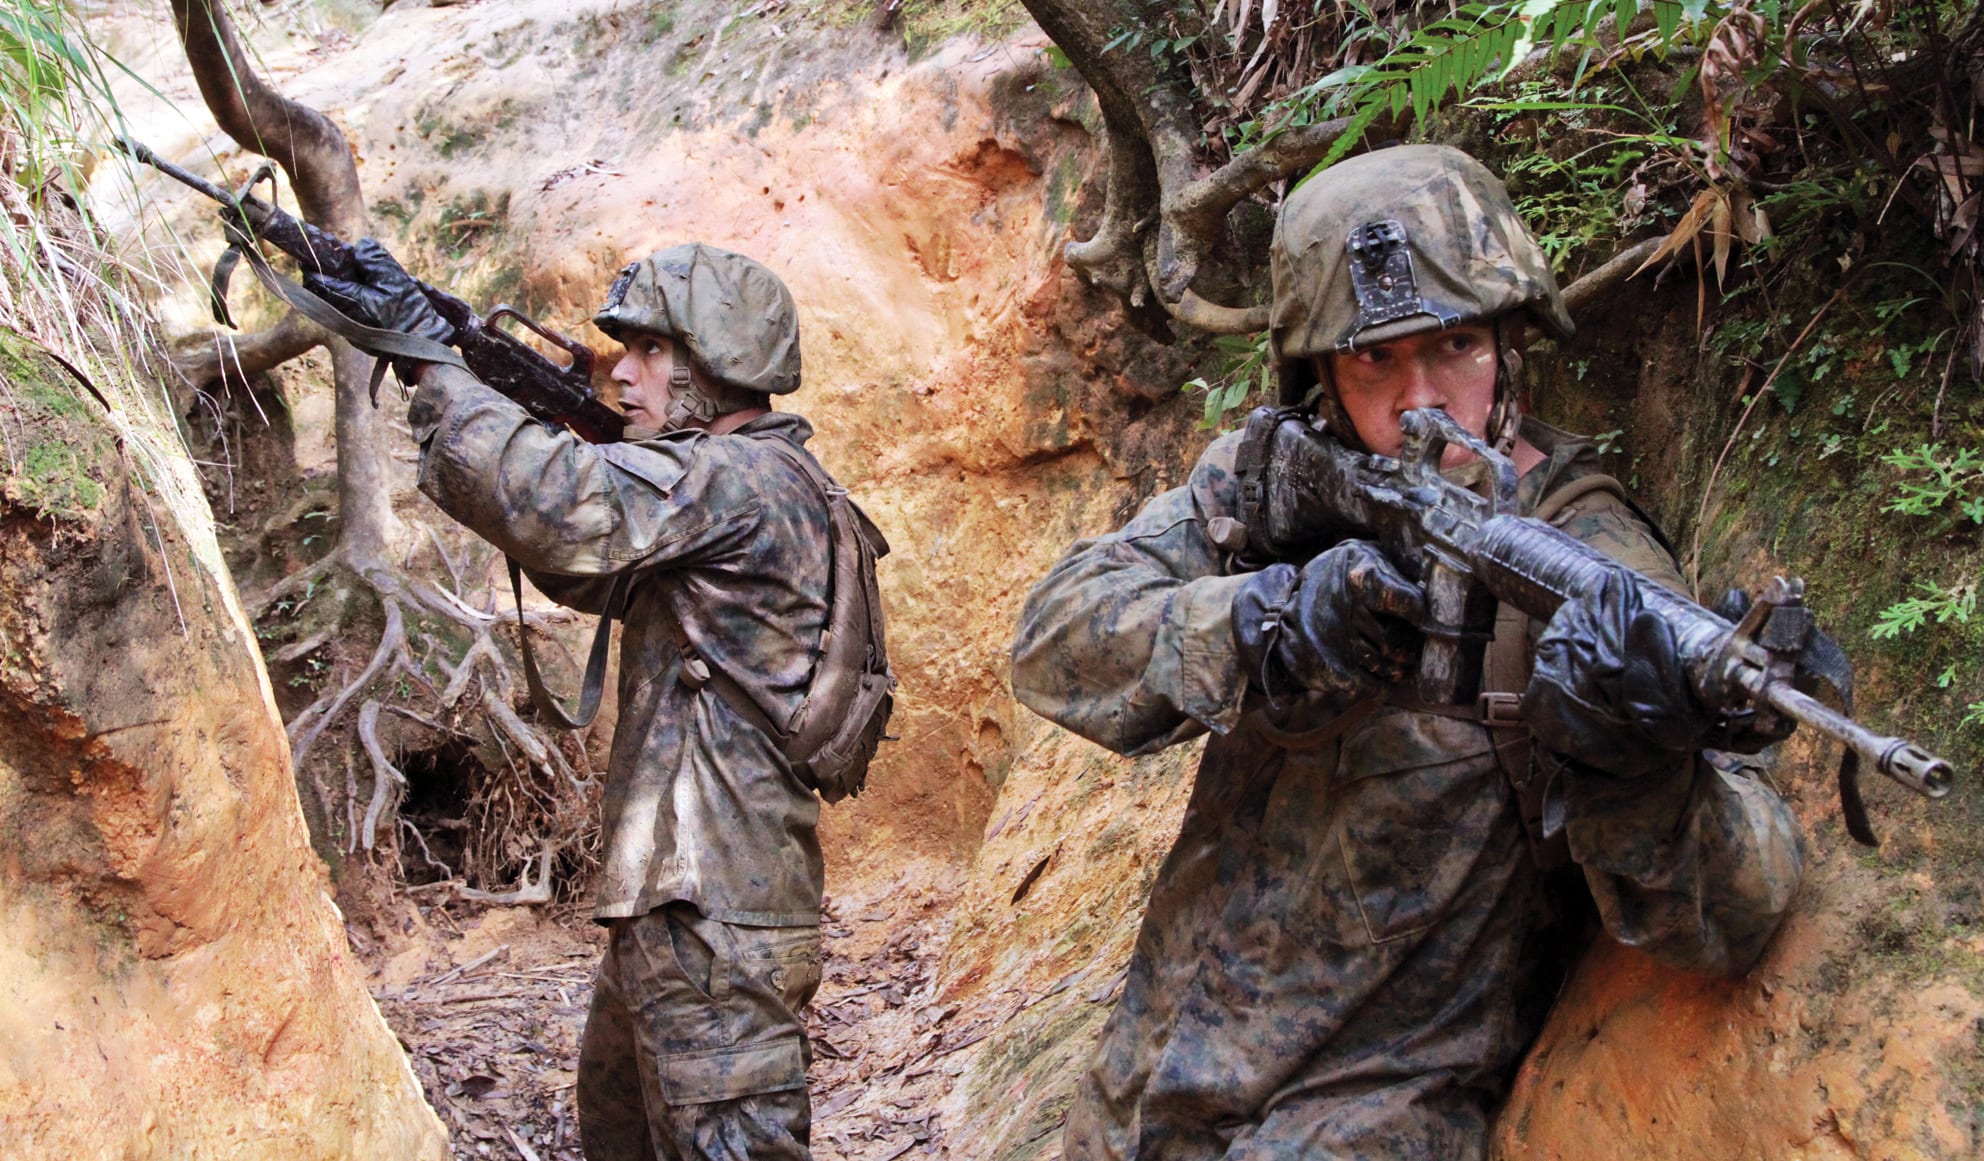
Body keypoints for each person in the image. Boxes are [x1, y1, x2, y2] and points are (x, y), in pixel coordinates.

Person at [1009, 144, 1806, 1161]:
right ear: (1317, 373)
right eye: (1372, 358)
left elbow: (1739, 911)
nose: (1418, 397)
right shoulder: (1274, 483)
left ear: (1512, 345)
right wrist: (1267, 623)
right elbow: (1053, 640)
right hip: (1142, 1088)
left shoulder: (1589, 565)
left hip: (1365, 1116)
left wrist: (1638, 767)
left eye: (1457, 345)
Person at [310, 242, 835, 1159]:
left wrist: (434, 363)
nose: (623, 375)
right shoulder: (739, 484)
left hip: (717, 922)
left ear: (720, 362)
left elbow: (557, 502)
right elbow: (587, 568)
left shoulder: (739, 480)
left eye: (651, 353)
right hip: (678, 912)